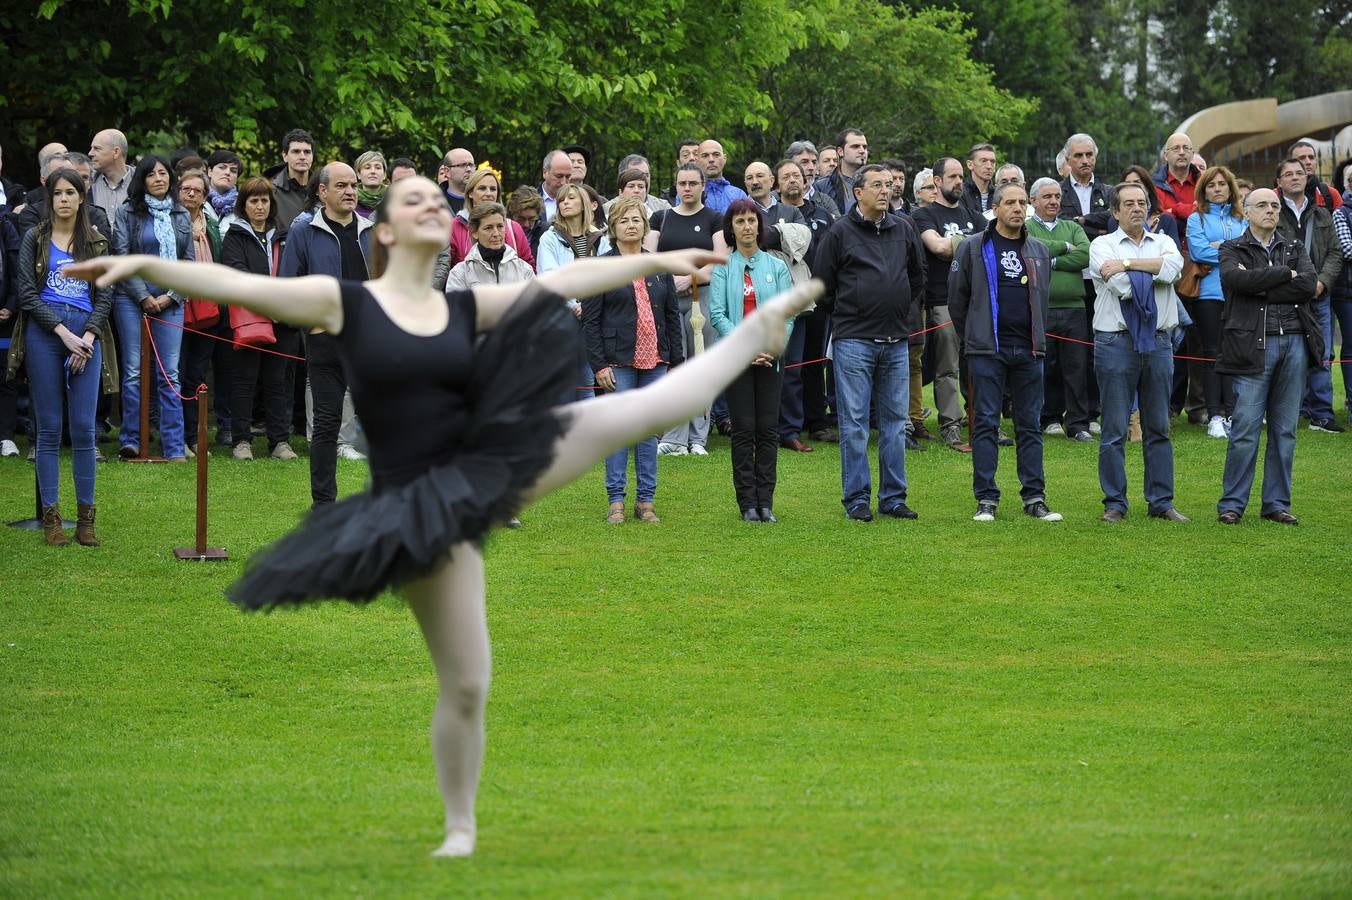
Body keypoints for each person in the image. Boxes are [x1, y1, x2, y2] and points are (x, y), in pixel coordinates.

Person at [69, 173, 818, 859]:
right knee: (466, 683)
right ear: (385, 232)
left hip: (489, 461)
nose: (432, 206)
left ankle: (763, 327)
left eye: (438, 199)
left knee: (646, 406)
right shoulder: (346, 303)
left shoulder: (466, 304)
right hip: (417, 506)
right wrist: (144, 267)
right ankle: (459, 823)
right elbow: (237, 284)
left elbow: (567, 280)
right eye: (413, 201)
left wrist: (653, 263)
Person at [813, 164, 925, 521]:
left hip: (895, 340)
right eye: (877, 184)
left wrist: (896, 306)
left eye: (888, 185)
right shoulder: (839, 232)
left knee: (894, 423)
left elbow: (916, 277)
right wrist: (855, 309)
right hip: (854, 341)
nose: (884, 190)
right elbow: (823, 285)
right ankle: (856, 498)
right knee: (855, 424)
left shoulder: (904, 228)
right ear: (857, 192)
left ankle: (893, 498)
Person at [949, 182, 1061, 522]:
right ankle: (986, 499)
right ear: (994, 208)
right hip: (987, 350)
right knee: (984, 423)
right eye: (1009, 202)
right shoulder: (971, 248)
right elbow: (957, 301)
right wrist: (974, 336)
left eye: (1021, 203)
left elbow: (1042, 299)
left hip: (1028, 350)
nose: (1016, 208)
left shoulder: (1039, 250)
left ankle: (1035, 498)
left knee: (1029, 425)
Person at [15, 167, 112, 545]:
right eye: (58, 193)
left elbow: (105, 294)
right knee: (50, 430)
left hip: (87, 337)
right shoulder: (33, 238)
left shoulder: (98, 241)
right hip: (46, 335)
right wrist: (64, 334)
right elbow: (27, 294)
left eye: (71, 192)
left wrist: (87, 336)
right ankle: (52, 519)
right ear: (50, 198)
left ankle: (86, 521)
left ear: (81, 197)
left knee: (85, 430)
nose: (65, 199)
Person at [1216, 188, 1321, 525]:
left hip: (1295, 342)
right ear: (1245, 212)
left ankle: (1276, 503)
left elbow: (1308, 285)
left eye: (1275, 205)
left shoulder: (1292, 246)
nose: (1271, 210)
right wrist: (1281, 274)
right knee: (1245, 426)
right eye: (1262, 205)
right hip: (1252, 344)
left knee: (1285, 429)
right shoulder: (1232, 247)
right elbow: (1234, 280)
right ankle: (1232, 504)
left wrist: (1258, 281)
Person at [1088, 182, 1188, 523]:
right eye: (1128, 204)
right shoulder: (1101, 244)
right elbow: (1121, 286)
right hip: (1115, 342)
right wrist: (1152, 268)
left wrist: (1129, 262)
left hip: (1159, 342)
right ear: (1115, 211)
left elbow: (1174, 271)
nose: (1136, 208)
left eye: (1142, 203)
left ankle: (1161, 502)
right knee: (1115, 428)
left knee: (1158, 426)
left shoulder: (1165, 241)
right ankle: (1114, 503)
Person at [581, 197, 683, 523]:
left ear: (645, 225)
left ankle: (646, 501)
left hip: (656, 360)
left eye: (636, 219)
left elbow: (671, 319)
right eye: (624, 220)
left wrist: (676, 364)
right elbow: (591, 322)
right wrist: (599, 365)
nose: (631, 225)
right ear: (613, 227)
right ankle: (616, 500)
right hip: (617, 362)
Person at [281, 162, 373, 504]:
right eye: (342, 186)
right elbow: (289, 286)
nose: (351, 192)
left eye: (353, 185)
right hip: (325, 341)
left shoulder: (370, 230)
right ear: (322, 192)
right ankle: (324, 506)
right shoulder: (304, 230)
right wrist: (313, 322)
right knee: (327, 426)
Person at [709, 199, 795, 522]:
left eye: (751, 220)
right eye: (740, 221)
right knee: (744, 429)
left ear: (760, 226)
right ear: (731, 228)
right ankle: (747, 503)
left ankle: (766, 503)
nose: (747, 226)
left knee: (767, 429)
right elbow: (717, 314)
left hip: (770, 357)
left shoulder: (776, 267)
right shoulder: (722, 267)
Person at [112, 154, 193, 461]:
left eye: (164, 173)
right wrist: (144, 296)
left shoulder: (180, 213)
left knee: (169, 374)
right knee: (133, 372)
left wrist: (171, 295)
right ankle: (132, 439)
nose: (160, 178)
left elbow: (188, 263)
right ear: (142, 180)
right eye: (152, 174)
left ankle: (173, 446)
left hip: (172, 300)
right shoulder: (128, 212)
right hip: (131, 300)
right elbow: (122, 257)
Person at [646, 162, 728, 455]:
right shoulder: (660, 218)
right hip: (666, 301)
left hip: (701, 298)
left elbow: (719, 261)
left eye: (693, 183)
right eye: (682, 184)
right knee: (673, 367)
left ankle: (697, 438)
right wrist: (671, 281)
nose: (688, 189)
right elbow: (649, 259)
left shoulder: (715, 219)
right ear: (676, 186)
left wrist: (689, 278)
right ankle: (673, 436)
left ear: (703, 185)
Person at [220, 177, 299, 461]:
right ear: (244, 204)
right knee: (245, 381)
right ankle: (241, 441)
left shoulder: (285, 233)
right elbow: (237, 275)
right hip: (250, 319)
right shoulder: (235, 234)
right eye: (254, 201)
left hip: (284, 321)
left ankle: (280, 442)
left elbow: (296, 272)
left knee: (278, 382)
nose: (260, 206)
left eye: (264, 200)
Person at [912, 156, 982, 450]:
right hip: (942, 301)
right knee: (948, 367)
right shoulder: (924, 215)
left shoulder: (974, 214)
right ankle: (951, 425)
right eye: (952, 176)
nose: (959, 182)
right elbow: (938, 247)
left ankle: (982, 424)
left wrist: (957, 245)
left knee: (980, 364)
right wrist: (972, 245)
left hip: (976, 303)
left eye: (961, 176)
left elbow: (986, 247)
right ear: (937, 181)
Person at [1274, 157, 1345, 433]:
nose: (1295, 177)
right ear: (1279, 181)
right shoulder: (1273, 211)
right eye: (1288, 174)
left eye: (1300, 173)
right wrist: (1296, 283)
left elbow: (1335, 253)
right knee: (1288, 355)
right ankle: (1290, 411)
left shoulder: (1322, 213)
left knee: (1322, 353)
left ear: (1307, 178)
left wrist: (1321, 282)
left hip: (1319, 295)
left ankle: (1322, 414)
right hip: (1285, 295)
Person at [1024, 177, 1092, 441]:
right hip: (1040, 308)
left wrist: (1048, 261)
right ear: (1033, 201)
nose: (1054, 201)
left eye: (1056, 196)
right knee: (1045, 366)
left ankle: (1078, 424)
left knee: (1077, 367)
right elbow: (1028, 250)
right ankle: (1049, 418)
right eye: (1047, 197)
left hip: (1074, 307)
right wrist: (1063, 249)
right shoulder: (1027, 227)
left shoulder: (1071, 226)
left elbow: (1085, 255)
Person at [174, 169, 233, 455]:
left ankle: (195, 437)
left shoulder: (211, 225)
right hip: (176, 307)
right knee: (175, 371)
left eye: (198, 190)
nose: (192, 194)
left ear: (205, 195)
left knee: (197, 375)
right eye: (187, 189)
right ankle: (176, 438)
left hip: (207, 310)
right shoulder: (170, 221)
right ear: (179, 191)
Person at [1185, 166, 1247, 438]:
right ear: (1204, 190)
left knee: (1235, 355)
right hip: (1209, 295)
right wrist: (1232, 249)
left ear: (1230, 188)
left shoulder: (1242, 218)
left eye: (1222, 184)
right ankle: (1215, 416)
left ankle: (1233, 412)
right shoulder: (1195, 218)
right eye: (1211, 185)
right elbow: (1198, 251)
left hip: (1239, 294)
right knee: (1213, 354)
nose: (1218, 189)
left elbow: (1251, 251)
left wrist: (1219, 246)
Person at [449, 169, 536, 270]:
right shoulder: (454, 226)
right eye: (482, 188)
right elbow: (446, 269)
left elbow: (529, 268)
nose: (488, 193)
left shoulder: (513, 227)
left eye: (493, 189)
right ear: (470, 193)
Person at [445, 202, 534, 291]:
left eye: (500, 226)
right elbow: (456, 304)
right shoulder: (460, 273)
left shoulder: (524, 269)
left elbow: (535, 303)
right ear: (475, 233)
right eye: (488, 228)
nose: (496, 233)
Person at [268, 129, 315, 230]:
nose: (302, 157)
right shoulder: (270, 191)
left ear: (312, 156)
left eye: (307, 152)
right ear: (285, 156)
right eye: (296, 151)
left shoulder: (323, 190)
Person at [813, 128, 868, 215]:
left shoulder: (878, 182)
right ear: (840, 152)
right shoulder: (822, 186)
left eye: (864, 147)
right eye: (855, 146)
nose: (862, 151)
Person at [88, 129, 132, 237]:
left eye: (97, 148)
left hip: (135, 253)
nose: (90, 153)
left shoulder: (143, 183)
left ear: (116, 152)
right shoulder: (88, 183)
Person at [697, 140, 748, 214]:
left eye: (716, 154)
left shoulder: (739, 195)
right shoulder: (689, 193)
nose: (711, 160)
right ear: (697, 161)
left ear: (724, 159)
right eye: (705, 156)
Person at [505, 185, 546, 256]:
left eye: (531, 219)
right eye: (521, 219)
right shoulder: (503, 231)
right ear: (512, 214)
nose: (526, 224)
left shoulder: (545, 233)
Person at [206, 150, 242, 222]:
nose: (227, 172)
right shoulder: (197, 198)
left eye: (233, 171)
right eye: (222, 167)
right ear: (210, 171)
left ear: (236, 179)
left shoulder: (241, 206)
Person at [538, 149, 573, 222]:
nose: (564, 182)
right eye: (559, 176)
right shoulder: (530, 199)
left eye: (568, 177)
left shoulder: (578, 201)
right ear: (545, 172)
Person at [437, 148, 475, 214]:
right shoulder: (436, 202)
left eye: (471, 165)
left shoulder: (484, 198)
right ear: (447, 171)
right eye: (463, 165)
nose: (469, 169)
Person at [963, 143, 997, 214]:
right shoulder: (959, 194)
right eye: (984, 161)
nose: (989, 166)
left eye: (992, 162)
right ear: (970, 164)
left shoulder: (999, 195)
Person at [354, 150, 388, 219]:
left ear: (384, 174)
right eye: (367, 168)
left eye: (378, 168)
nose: (373, 171)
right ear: (358, 174)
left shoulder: (394, 199)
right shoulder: (350, 199)